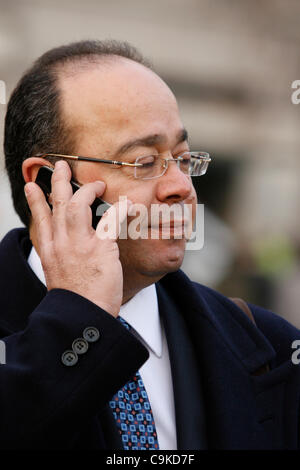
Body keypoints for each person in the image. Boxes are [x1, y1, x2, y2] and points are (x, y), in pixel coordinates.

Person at [1, 39, 299, 450]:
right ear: (49, 183)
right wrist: (78, 316)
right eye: (143, 162)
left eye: (182, 156)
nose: (181, 187)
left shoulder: (273, 345)